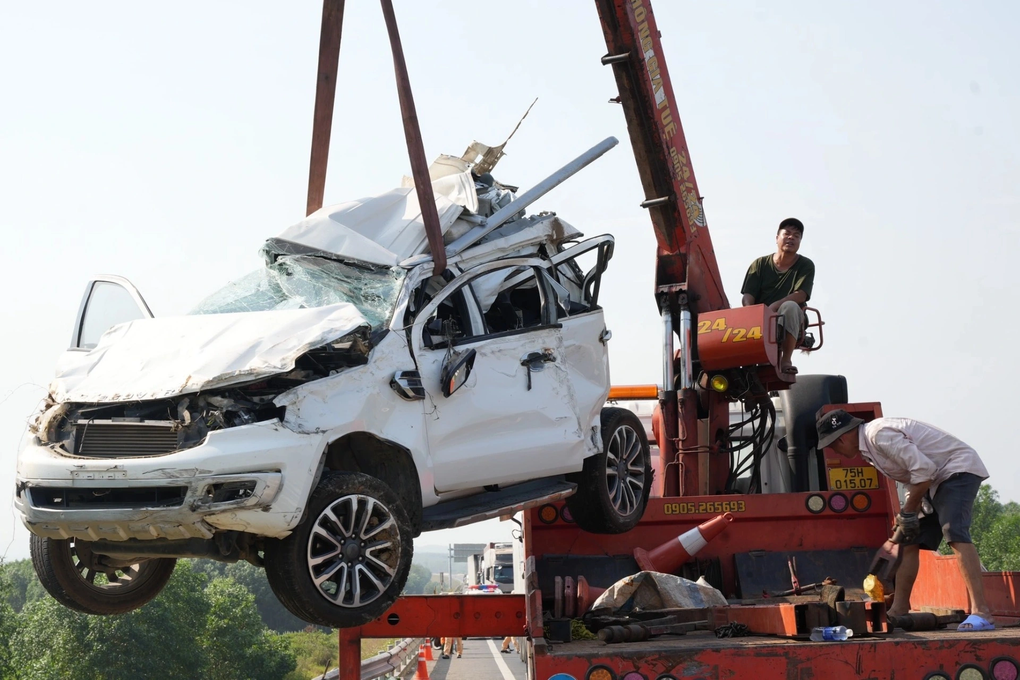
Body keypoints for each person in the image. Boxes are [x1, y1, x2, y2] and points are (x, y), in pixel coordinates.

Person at [816, 409, 994, 631]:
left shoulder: (878, 435)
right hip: (933, 479)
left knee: (954, 532)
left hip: (955, 470)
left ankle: (981, 613)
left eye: (833, 446)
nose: (836, 451)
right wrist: (908, 514)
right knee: (909, 540)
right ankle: (899, 609)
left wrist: (909, 511)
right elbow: (913, 478)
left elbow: (924, 469)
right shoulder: (869, 452)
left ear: (841, 438)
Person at [741, 217, 814, 375]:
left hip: (793, 317)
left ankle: (785, 359)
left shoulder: (805, 265)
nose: (791, 237)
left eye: (796, 235)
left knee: (789, 306)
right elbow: (748, 295)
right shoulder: (759, 264)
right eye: (787, 233)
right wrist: (754, 313)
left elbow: (801, 295)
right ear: (777, 238)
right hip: (761, 319)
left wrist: (774, 307)